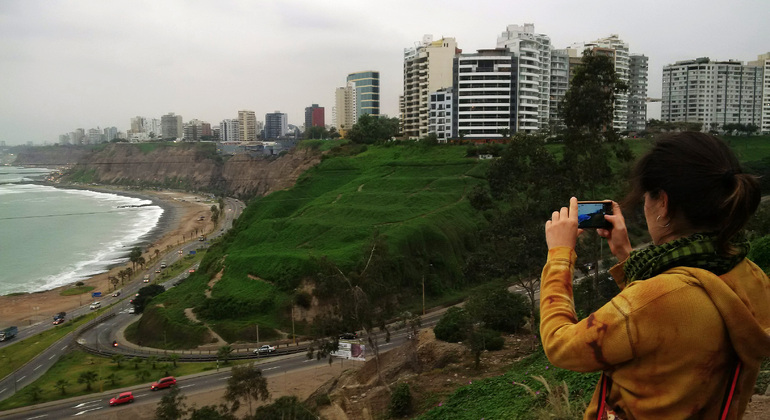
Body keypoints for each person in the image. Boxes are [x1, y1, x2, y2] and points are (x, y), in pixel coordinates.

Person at [541, 132, 770, 419]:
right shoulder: (750, 275)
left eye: (647, 198)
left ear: (662, 202)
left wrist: (559, 255)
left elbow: (560, 346)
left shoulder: (656, 300)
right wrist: (626, 256)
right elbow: (659, 318)